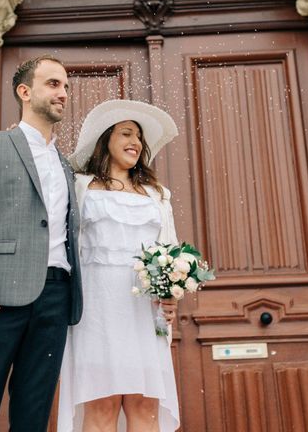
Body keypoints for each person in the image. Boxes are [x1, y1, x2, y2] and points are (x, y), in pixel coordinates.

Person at [0, 55, 83, 432]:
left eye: (65, 86)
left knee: (33, 415)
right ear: (25, 92)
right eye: (53, 84)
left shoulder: (67, 165)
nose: (63, 93)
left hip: (56, 297)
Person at [58, 99, 181, 432]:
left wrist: (171, 294)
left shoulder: (158, 194)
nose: (136, 142)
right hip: (96, 309)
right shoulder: (80, 187)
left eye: (139, 137)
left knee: (145, 405)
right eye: (127, 133)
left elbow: (170, 253)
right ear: (106, 140)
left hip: (144, 310)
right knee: (102, 406)